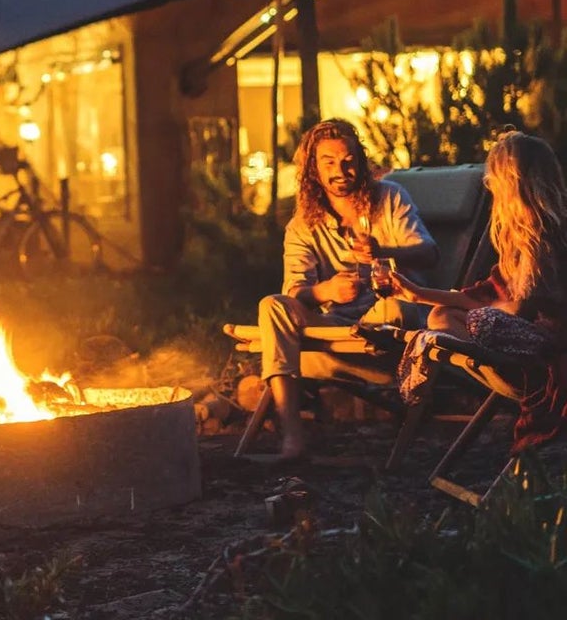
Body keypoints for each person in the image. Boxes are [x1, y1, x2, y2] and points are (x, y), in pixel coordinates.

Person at [227, 118, 439, 462]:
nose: (340, 170)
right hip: (339, 330)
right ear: (314, 169)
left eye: (347, 160)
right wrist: (326, 291)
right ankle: (293, 441)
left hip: (391, 327)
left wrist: (385, 253)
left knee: (397, 309)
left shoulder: (389, 198)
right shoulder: (303, 224)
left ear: (360, 160)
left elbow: (429, 253)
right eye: (328, 162)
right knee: (273, 306)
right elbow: (295, 290)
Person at [390, 130, 567, 450]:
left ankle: (522, 376)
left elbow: (525, 309)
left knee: (482, 320)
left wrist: (497, 310)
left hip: (549, 349)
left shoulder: (551, 239)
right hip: (513, 337)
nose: (489, 185)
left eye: (495, 178)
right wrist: (414, 293)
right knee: (442, 315)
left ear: (515, 181)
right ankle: (490, 353)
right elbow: (483, 294)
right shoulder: (514, 243)